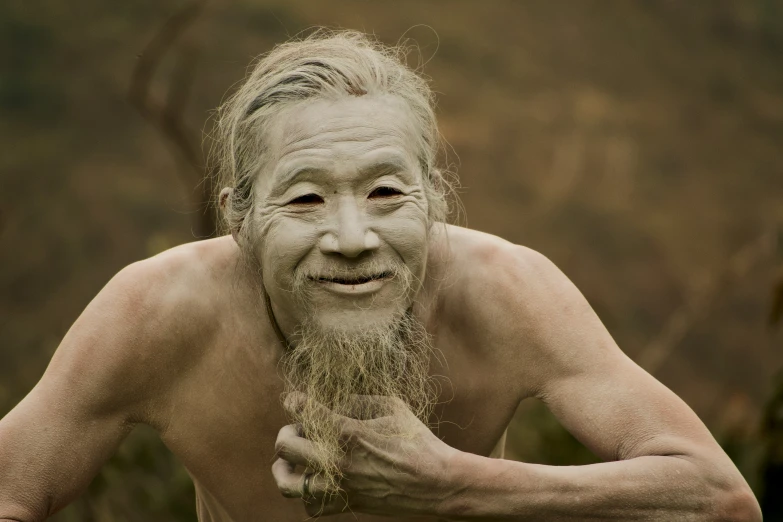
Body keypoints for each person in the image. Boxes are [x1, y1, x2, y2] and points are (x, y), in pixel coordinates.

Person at [0, 30, 761, 522]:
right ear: (238, 216)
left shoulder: (502, 291)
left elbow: (718, 499)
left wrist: (455, 486)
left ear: (434, 197)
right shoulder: (158, 311)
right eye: (304, 197)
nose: (353, 238)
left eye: (387, 193)